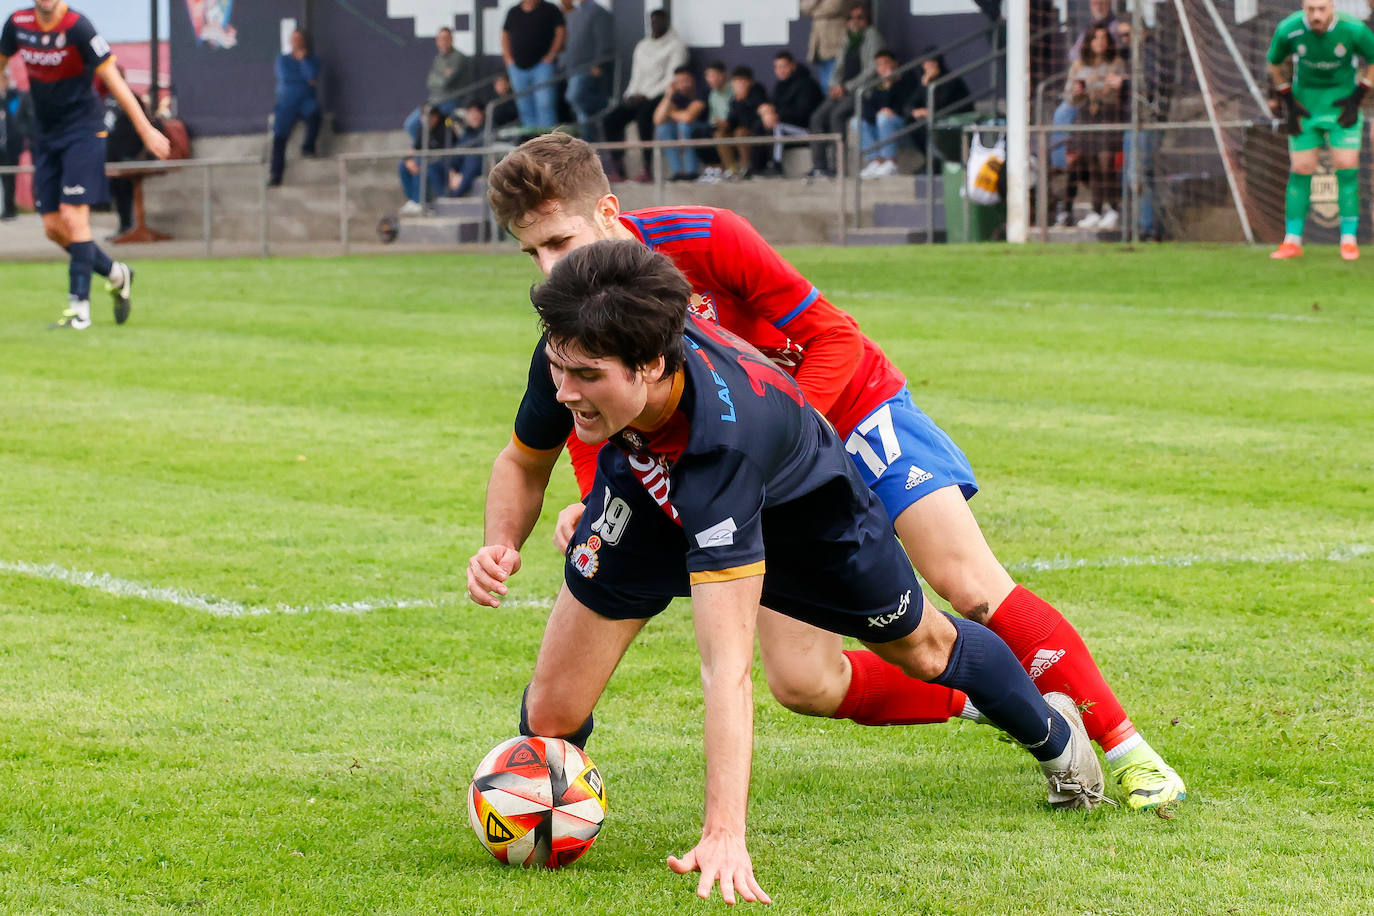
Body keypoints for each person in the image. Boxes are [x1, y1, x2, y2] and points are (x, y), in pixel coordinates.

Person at [478, 133, 1187, 812]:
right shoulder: (577, 317)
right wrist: (590, 502)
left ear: (608, 213)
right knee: (804, 682)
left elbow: (833, 336)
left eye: (560, 243)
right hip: (748, 456)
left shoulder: (705, 235)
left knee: (966, 582)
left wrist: (786, 446)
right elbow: (591, 419)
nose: (547, 266)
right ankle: (987, 697)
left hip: (841, 405)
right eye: (531, 252)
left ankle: (1123, 747)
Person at [474, 238, 1105, 902]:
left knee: (921, 647)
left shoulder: (726, 444)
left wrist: (724, 833)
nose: (566, 390)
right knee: (550, 711)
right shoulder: (578, 350)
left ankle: (1058, 737)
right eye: (558, 369)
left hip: (810, 523)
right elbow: (523, 460)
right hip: (645, 491)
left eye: (587, 376)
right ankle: (544, 820)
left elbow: (726, 668)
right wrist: (501, 541)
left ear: (652, 365)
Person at [0, 0, 170, 330]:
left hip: (83, 131)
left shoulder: (79, 27)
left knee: (73, 217)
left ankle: (79, 311)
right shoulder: (17, 23)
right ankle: (117, 273)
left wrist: (145, 127)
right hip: (47, 135)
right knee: (53, 227)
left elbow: (114, 78)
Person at [1267, 0, 1374, 260]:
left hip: (1341, 107)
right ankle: (1292, 241)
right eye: (1310, 9)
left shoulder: (1354, 29)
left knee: (1346, 166)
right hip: (1305, 107)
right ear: (1303, 8)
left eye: (1322, 9)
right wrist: (1288, 100)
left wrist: (1358, 95)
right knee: (1301, 168)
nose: (1316, 15)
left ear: (1332, 7)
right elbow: (1274, 64)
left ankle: (1348, 241)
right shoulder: (1288, 29)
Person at [601, 9, 687, 182]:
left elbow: (671, 78)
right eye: (653, 21)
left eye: (659, 21)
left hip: (660, 95)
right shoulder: (642, 46)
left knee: (644, 116)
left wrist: (647, 96)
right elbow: (636, 75)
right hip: (639, 94)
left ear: (667, 23)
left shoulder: (676, 46)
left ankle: (648, 167)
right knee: (611, 119)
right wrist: (630, 95)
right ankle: (619, 167)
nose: (656, 24)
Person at [808, 1, 883, 178]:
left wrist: (847, 87)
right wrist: (835, 85)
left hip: (860, 92)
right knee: (817, 117)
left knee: (837, 115)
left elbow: (872, 69)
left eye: (860, 17)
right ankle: (820, 166)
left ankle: (838, 166)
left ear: (867, 20)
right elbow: (838, 67)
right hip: (841, 91)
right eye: (851, 17)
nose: (855, 21)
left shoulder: (872, 36)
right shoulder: (847, 38)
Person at [1066, 25, 1126, 230]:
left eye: (1104, 38)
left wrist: (1115, 87)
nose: (1100, 42)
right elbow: (1070, 97)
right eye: (1096, 38)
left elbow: (1119, 93)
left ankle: (1113, 209)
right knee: (1092, 165)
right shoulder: (1078, 66)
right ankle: (1096, 210)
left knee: (1106, 162)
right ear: (1088, 42)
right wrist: (1076, 92)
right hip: (1086, 117)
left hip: (1107, 116)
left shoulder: (1116, 64)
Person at [403, 28, 474, 146]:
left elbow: (445, 82)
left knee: (442, 127)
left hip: (450, 101)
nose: (443, 41)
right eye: (440, 39)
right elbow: (429, 82)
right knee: (411, 125)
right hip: (433, 101)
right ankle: (422, 149)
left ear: (452, 40)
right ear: (437, 41)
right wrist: (440, 76)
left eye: (446, 38)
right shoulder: (438, 58)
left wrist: (438, 77)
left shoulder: (458, 57)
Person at [269, 28, 321, 188]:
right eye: (294, 38)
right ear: (290, 41)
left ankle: (308, 148)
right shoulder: (282, 60)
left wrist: (303, 61)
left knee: (315, 114)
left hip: (306, 102)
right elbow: (286, 78)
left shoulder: (312, 60)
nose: (297, 41)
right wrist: (305, 80)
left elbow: (312, 76)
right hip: (287, 103)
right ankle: (275, 175)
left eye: (300, 38)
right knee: (279, 137)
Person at [502, 0, 565, 130]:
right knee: (524, 105)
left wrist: (552, 54)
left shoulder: (551, 9)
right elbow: (505, 35)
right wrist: (508, 59)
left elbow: (561, 31)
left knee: (545, 103)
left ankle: (548, 142)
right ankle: (532, 143)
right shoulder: (513, 12)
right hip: (517, 68)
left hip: (542, 66)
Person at [907, 51, 973, 171]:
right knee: (912, 123)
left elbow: (941, 104)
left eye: (930, 63)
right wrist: (916, 111)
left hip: (957, 117)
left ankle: (935, 163)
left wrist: (927, 87)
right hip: (937, 117)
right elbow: (910, 104)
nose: (927, 67)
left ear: (937, 64)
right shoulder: (925, 81)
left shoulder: (950, 79)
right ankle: (930, 161)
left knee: (930, 123)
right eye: (925, 64)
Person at [560, 0, 614, 141]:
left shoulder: (599, 12)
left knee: (574, 96)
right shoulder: (573, 13)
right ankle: (587, 141)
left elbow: (605, 41)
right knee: (581, 109)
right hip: (571, 68)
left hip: (588, 68)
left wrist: (598, 63)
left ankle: (606, 104)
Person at [762, 50, 822, 174]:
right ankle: (758, 166)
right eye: (777, 67)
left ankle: (776, 165)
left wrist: (777, 116)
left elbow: (803, 113)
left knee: (777, 127)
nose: (780, 70)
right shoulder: (779, 85)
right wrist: (767, 111)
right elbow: (774, 107)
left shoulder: (807, 84)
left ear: (792, 66)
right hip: (786, 126)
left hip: (805, 130)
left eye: (784, 66)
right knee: (762, 125)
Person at [858, 50, 913, 179]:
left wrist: (890, 85)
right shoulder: (877, 85)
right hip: (882, 125)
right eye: (879, 64)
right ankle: (876, 160)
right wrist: (885, 87)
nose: (883, 67)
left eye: (886, 63)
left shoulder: (907, 80)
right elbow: (868, 110)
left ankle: (891, 162)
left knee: (883, 118)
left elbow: (904, 106)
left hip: (903, 125)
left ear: (895, 63)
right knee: (857, 121)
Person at [397, 106, 456, 215]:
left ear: (435, 117)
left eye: (429, 117)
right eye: (423, 117)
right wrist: (408, 160)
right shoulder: (423, 129)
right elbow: (415, 148)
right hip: (426, 158)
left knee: (421, 163)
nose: (425, 120)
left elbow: (446, 151)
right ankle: (413, 200)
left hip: (442, 161)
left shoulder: (445, 128)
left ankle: (419, 201)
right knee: (403, 165)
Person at [652, 66, 706, 181]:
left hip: (704, 129)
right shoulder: (676, 95)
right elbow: (657, 119)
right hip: (684, 130)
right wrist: (668, 95)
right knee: (663, 128)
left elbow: (688, 117)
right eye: (678, 81)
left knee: (684, 126)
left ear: (692, 79)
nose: (683, 85)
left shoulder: (701, 91)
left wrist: (671, 113)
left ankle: (692, 171)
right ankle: (678, 171)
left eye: (685, 80)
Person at [714, 65, 767, 179]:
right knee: (720, 134)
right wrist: (724, 124)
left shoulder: (757, 93)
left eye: (739, 82)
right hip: (738, 132)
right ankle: (732, 170)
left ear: (748, 82)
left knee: (740, 132)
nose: (736, 85)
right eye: (735, 82)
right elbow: (732, 120)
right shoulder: (734, 99)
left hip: (755, 134)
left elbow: (754, 120)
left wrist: (743, 100)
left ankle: (745, 167)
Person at [0, 62, 34, 220]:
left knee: (9, 180)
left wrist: (22, 137)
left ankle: (10, 210)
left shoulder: (17, 96)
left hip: (11, 146)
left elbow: (20, 120)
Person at [800, 0, 849, 92]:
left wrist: (814, 12)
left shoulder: (819, 14)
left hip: (835, 45)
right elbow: (803, 7)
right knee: (824, 86)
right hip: (819, 46)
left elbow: (834, 7)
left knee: (834, 84)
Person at [695, 60, 731, 182]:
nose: (709, 79)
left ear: (722, 75)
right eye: (708, 76)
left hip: (731, 125)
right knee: (698, 133)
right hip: (716, 126)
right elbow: (712, 118)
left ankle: (726, 169)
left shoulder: (733, 90)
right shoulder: (712, 95)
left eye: (713, 75)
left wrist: (725, 122)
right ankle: (713, 168)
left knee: (718, 133)